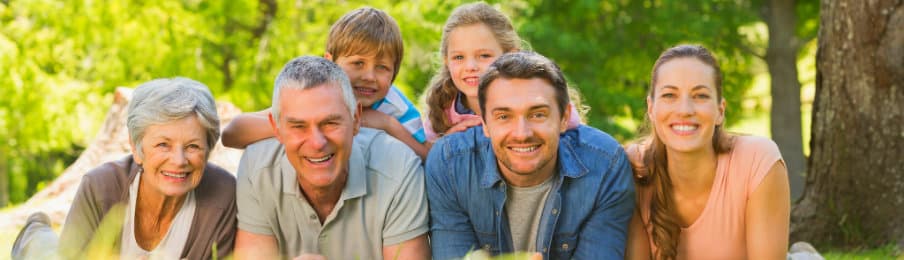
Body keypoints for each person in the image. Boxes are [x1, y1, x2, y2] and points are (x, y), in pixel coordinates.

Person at [426, 52, 635, 259]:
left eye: (537, 115)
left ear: (564, 118)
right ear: (485, 123)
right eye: (504, 116)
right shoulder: (450, 165)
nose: (522, 133)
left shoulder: (606, 165)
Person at [11, 78, 237, 259]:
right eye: (162, 145)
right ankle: (34, 236)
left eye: (193, 146)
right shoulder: (101, 186)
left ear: (208, 149)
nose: (178, 160)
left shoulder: (224, 195)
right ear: (136, 149)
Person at [233, 56, 429, 259]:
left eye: (330, 123)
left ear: (355, 119)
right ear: (277, 128)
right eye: (299, 126)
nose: (317, 143)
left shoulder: (399, 167)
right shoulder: (257, 168)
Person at [624, 45, 790, 260]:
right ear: (651, 109)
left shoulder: (757, 160)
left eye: (700, 95)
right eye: (669, 95)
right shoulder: (632, 168)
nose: (684, 110)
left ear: (720, 111)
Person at [222, 7, 429, 158]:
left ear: (394, 73)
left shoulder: (397, 109)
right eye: (358, 63)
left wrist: (387, 124)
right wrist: (300, 126)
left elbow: (426, 157)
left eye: (382, 67)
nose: (369, 76)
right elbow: (232, 134)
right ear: (329, 62)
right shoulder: (314, 95)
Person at [422, 2, 583, 143]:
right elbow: (428, 161)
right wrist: (447, 142)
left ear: (510, 56)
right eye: (458, 57)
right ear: (446, 61)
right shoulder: (442, 108)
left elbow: (577, 136)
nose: (470, 66)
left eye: (484, 55)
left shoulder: (538, 96)